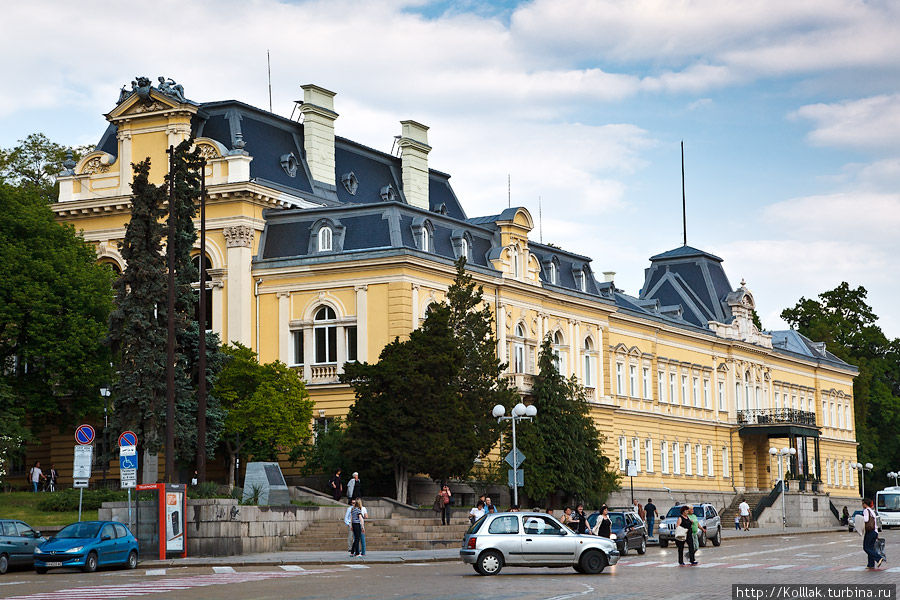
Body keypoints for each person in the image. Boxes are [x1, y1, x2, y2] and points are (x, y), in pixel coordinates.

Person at [861, 498, 885, 569]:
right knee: (871, 548)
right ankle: (870, 564)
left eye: (862, 503)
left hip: (869, 531)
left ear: (865, 504)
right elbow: (875, 523)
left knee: (866, 548)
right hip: (874, 531)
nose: (862, 505)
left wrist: (860, 519)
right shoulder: (872, 511)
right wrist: (877, 533)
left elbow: (866, 520)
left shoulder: (866, 510)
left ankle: (878, 558)